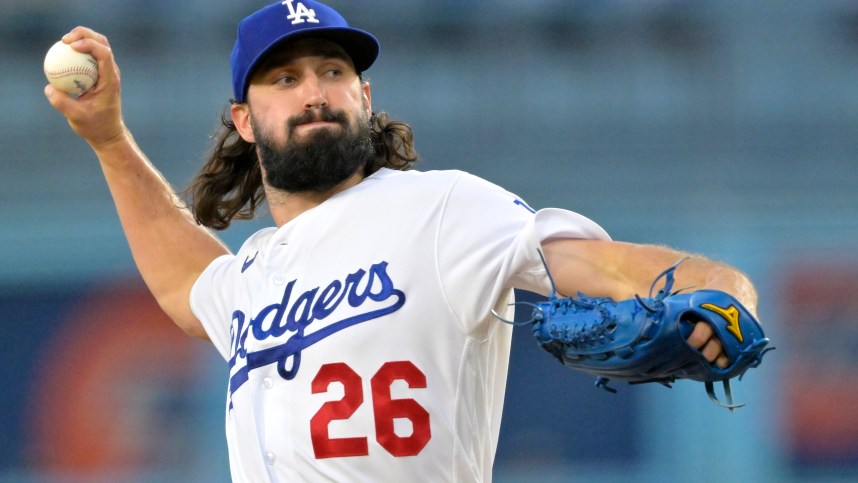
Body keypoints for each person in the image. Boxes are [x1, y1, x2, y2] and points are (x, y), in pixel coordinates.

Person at [45, 1, 758, 481]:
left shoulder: (441, 209)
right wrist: (108, 138)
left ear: (364, 97)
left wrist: (726, 295)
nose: (314, 91)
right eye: (285, 78)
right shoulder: (256, 273)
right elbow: (184, 284)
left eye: (333, 71)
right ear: (244, 118)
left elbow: (612, 265)